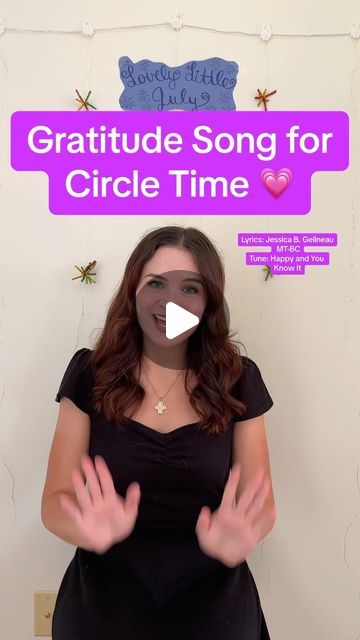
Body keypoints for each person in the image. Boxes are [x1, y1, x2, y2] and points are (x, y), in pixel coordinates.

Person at [41, 225, 276, 640]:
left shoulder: (239, 380)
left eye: (190, 288)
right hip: (101, 610)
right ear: (133, 291)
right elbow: (55, 501)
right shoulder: (89, 374)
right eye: (155, 283)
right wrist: (86, 529)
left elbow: (260, 502)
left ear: (208, 302)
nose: (171, 301)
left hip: (215, 610)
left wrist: (242, 536)